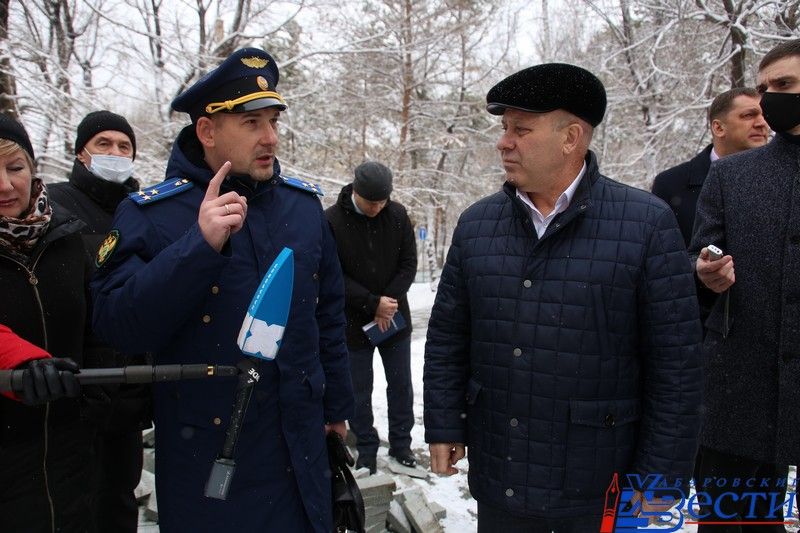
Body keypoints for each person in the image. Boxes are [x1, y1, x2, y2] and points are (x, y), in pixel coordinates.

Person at [423, 63, 704, 531]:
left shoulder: (646, 224)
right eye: (504, 128)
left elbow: (676, 368)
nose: (503, 142)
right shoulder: (477, 224)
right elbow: (449, 335)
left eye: (521, 129)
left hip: (598, 486)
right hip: (501, 476)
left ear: (571, 137)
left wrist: (658, 482)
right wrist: (445, 421)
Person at [91, 47, 354, 533]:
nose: (271, 138)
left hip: (300, 448)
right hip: (210, 455)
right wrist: (199, 247)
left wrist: (337, 408)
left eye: (273, 120)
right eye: (252, 123)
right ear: (207, 131)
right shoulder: (152, 215)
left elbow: (327, 317)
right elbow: (117, 323)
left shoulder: (302, 208)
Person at [690, 39, 800, 531]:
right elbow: (704, 252)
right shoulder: (732, 176)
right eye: (764, 88)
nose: (770, 98)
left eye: (783, 85)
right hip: (740, 385)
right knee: (733, 519)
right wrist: (708, 272)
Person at [48, 110, 150, 533]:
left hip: (129, 388)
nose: (115, 153)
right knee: (72, 504)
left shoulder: (142, 209)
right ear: (81, 154)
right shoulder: (54, 205)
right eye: (103, 144)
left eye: (124, 146)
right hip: (74, 386)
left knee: (118, 499)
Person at [0, 114, 93, 532]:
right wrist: (22, 365)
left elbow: (99, 323)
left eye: (15, 168)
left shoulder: (66, 238)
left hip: (71, 455)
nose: (4, 185)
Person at [325, 161, 417, 474]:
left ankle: (402, 446)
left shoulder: (398, 215)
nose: (377, 208)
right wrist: (371, 304)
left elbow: (408, 264)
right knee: (358, 390)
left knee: (401, 385)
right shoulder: (332, 220)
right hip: (352, 324)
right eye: (370, 202)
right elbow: (333, 274)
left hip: (394, 319)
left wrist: (387, 303)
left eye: (382, 202)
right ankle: (366, 449)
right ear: (355, 191)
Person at [652, 87, 769, 248]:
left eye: (765, 115)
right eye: (749, 115)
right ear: (719, 128)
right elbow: (663, 257)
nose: (762, 123)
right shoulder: (671, 184)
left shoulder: (786, 176)